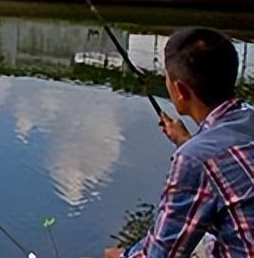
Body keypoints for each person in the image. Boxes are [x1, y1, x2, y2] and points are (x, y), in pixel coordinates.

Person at [105, 27, 254, 258]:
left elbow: (162, 255)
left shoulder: (194, 159)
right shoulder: (248, 116)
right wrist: (186, 141)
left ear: (180, 90)